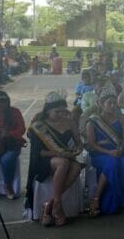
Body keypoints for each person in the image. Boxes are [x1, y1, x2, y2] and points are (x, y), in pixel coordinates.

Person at [26, 92, 83, 226]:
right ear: (48, 111)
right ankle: (58, 206)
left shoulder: (69, 122)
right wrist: (59, 153)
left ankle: (50, 204)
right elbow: (38, 153)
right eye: (57, 112)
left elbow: (79, 142)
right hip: (45, 161)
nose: (61, 114)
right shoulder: (38, 125)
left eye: (63, 111)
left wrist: (78, 150)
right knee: (63, 163)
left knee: (76, 167)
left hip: (67, 157)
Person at [85, 88, 124, 216]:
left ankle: (115, 199)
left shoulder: (122, 118)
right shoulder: (92, 121)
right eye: (109, 103)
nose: (113, 106)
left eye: (114, 103)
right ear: (101, 104)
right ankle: (97, 198)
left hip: (119, 151)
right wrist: (109, 152)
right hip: (100, 154)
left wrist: (120, 150)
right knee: (112, 163)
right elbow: (92, 144)